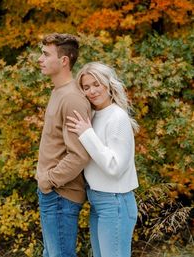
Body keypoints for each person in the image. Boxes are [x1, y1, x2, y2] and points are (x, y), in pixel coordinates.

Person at [66, 62, 139, 257]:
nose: (92, 91)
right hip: (97, 199)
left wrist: (87, 134)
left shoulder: (117, 117)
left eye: (96, 84)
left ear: (108, 84)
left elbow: (115, 167)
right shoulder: (94, 115)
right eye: (86, 87)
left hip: (115, 201)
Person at [36, 33, 91, 257]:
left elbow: (79, 155)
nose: (40, 59)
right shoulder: (59, 92)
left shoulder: (72, 98)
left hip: (61, 194)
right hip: (52, 193)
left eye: (46, 54)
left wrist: (48, 181)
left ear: (64, 61)